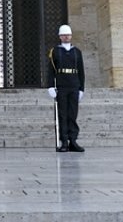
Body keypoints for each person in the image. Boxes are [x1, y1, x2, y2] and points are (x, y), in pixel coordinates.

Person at [47, 24, 85, 153]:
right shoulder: (55, 51)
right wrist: (51, 86)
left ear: (71, 36)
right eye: (63, 35)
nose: (66, 37)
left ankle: (73, 140)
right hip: (62, 86)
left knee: (72, 115)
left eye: (68, 35)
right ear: (59, 36)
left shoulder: (77, 52)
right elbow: (51, 70)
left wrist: (81, 89)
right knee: (62, 114)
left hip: (74, 85)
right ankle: (64, 141)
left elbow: (81, 72)